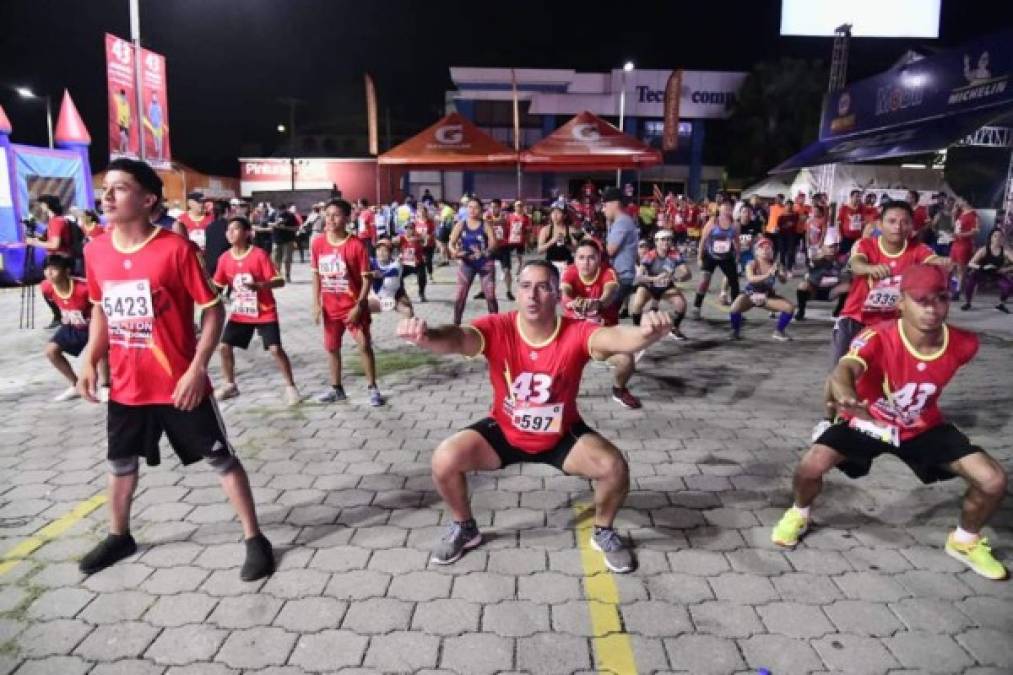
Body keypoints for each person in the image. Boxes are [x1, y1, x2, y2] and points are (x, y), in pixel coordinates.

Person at [398, 260, 674, 572]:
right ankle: (465, 527)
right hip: (504, 432)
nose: (533, 295)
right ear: (516, 292)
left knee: (614, 467)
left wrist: (646, 334)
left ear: (558, 295)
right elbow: (458, 337)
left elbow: (615, 338)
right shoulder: (497, 327)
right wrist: (426, 337)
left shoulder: (577, 330)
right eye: (526, 286)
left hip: (559, 436)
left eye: (543, 287)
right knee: (444, 459)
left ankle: (604, 531)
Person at [76, 158, 274, 580]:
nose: (107, 196)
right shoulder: (94, 250)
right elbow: (100, 310)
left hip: (177, 384)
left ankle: (255, 539)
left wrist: (197, 369)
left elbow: (213, 312)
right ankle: (119, 535)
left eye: (120, 188)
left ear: (148, 199)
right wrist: (91, 359)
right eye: (106, 188)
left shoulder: (174, 249)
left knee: (221, 460)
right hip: (129, 387)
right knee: (119, 464)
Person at [771, 264, 1008, 581]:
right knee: (810, 466)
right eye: (921, 300)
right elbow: (845, 369)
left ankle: (964, 541)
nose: (932, 308)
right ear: (901, 303)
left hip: (922, 426)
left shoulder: (965, 344)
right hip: (869, 420)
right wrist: (844, 394)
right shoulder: (878, 335)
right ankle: (799, 513)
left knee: (992, 481)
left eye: (940, 298)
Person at [829, 200, 943, 367]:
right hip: (855, 319)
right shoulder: (865, 244)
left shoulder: (919, 249)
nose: (898, 227)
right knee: (842, 373)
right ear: (880, 225)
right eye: (892, 221)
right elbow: (856, 264)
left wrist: (944, 263)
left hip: (892, 323)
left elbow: (934, 261)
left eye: (905, 222)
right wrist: (869, 268)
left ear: (912, 226)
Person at [213, 216, 300, 406]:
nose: (230, 233)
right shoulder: (224, 258)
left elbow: (280, 281)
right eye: (228, 230)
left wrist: (260, 285)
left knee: (275, 349)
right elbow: (216, 287)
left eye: (235, 229)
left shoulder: (259, 255)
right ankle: (229, 384)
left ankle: (291, 386)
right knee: (224, 347)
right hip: (241, 312)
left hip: (264, 311)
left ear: (247, 233)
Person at [311, 199, 385, 406]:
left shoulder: (356, 245)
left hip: (352, 307)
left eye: (335, 215)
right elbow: (316, 275)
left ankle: (373, 388)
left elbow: (366, 279)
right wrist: (316, 303)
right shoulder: (318, 244)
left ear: (346, 218)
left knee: (364, 345)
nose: (330, 219)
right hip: (330, 308)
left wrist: (359, 305)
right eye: (327, 215)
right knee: (332, 348)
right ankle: (336, 389)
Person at [561, 240, 641, 409]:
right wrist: (571, 302)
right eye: (581, 257)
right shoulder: (570, 272)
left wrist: (599, 304)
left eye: (591, 258)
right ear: (575, 259)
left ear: (599, 259)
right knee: (551, 359)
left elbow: (609, 293)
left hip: (602, 337)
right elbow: (565, 293)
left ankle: (619, 390)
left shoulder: (608, 272)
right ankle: (558, 391)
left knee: (627, 360)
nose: (586, 262)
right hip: (575, 337)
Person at [40, 255, 106, 401]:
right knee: (51, 351)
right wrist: (61, 316)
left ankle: (106, 387)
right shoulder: (45, 287)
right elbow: (53, 304)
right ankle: (76, 384)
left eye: (54, 269)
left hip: (93, 323)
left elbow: (100, 305)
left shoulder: (83, 288)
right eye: (46, 269)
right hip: (73, 324)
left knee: (100, 351)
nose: (49, 273)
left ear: (67, 271)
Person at [729, 238, 794, 341]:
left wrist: (780, 275)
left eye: (768, 248)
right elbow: (751, 279)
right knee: (734, 308)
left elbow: (783, 281)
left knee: (789, 308)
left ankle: (779, 331)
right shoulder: (752, 263)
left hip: (767, 296)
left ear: (772, 251)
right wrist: (768, 274)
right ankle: (735, 331)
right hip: (750, 294)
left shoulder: (776, 264)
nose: (765, 250)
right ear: (757, 251)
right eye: (762, 248)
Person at [629, 230, 690, 341]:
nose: (666, 242)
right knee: (637, 305)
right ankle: (637, 331)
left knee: (681, 304)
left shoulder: (674, 255)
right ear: (656, 242)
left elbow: (687, 273)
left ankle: (674, 329)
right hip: (649, 285)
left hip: (666, 286)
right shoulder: (650, 255)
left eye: (668, 239)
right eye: (663, 239)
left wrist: (677, 278)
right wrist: (654, 279)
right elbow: (639, 277)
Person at [448, 197, 498, 326]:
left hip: (485, 264)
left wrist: (486, 252)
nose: (472, 210)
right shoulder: (461, 224)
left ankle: (496, 325)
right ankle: (456, 325)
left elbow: (493, 243)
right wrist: (454, 252)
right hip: (467, 264)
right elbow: (451, 243)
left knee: (490, 296)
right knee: (460, 296)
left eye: (475, 207)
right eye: (469, 207)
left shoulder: (486, 225)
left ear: (481, 210)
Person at [692, 200, 740, 320]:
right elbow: (703, 240)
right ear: (720, 209)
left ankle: (736, 311)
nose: (727, 211)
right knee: (704, 281)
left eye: (729, 208)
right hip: (710, 256)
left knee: (734, 283)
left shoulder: (735, 224)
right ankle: (696, 308)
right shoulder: (713, 222)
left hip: (726, 257)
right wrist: (699, 257)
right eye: (724, 208)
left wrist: (738, 255)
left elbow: (736, 240)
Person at [796, 221, 849, 321]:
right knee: (802, 285)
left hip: (831, 291)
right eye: (830, 247)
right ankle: (801, 311)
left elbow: (849, 270)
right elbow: (812, 266)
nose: (833, 249)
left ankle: (837, 313)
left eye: (835, 246)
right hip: (815, 290)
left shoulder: (841, 259)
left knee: (848, 287)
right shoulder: (816, 258)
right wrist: (820, 259)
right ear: (823, 247)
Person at [603, 188, 639, 315]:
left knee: (607, 314)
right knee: (609, 315)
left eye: (605, 205)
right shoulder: (619, 222)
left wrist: (592, 240)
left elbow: (609, 251)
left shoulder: (622, 222)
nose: (603, 209)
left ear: (614, 204)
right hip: (621, 275)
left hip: (622, 276)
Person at [962, 228, 1013, 313]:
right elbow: (970, 263)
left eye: (1000, 236)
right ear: (991, 238)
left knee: (1009, 286)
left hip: (996, 273)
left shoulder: (1005, 251)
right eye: (995, 236)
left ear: (1003, 239)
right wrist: (983, 267)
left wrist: (1006, 269)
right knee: (970, 284)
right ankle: (968, 303)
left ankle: (1001, 304)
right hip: (982, 272)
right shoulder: (984, 249)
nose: (998, 238)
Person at [369, 240, 413, 317]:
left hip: (395, 296)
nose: (381, 253)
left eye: (384, 250)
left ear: (390, 253)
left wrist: (379, 274)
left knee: (408, 312)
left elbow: (391, 272)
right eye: (378, 250)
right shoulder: (371, 262)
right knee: (359, 309)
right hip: (377, 297)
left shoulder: (396, 264)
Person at [482, 199, 515, 301]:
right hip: (491, 247)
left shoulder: (505, 215)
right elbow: (483, 223)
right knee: (488, 270)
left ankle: (509, 291)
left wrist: (490, 221)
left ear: (500, 207)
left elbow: (504, 220)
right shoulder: (487, 215)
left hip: (504, 247)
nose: (493, 209)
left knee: (507, 270)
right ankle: (486, 291)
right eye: (491, 207)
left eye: (495, 207)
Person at [950, 197, 980, 299]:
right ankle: (955, 287)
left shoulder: (973, 215)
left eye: (959, 200)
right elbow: (955, 226)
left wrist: (961, 235)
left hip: (964, 245)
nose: (957, 202)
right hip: (956, 243)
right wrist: (953, 215)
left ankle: (958, 291)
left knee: (961, 269)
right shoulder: (961, 213)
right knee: (953, 266)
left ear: (965, 201)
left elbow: (976, 231)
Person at [537, 204, 578, 277]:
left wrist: (565, 243)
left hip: (567, 263)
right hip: (550, 263)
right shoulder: (545, 230)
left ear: (564, 215)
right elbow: (540, 250)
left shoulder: (572, 230)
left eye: (558, 213)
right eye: (553, 212)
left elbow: (576, 250)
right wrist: (552, 241)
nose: (555, 215)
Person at [397, 220, 428, 303]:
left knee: (422, 278)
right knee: (397, 277)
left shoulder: (418, 237)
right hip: (406, 264)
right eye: (407, 228)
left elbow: (424, 241)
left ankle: (421, 294)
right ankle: (402, 295)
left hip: (418, 264)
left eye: (411, 228)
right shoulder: (401, 238)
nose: (409, 230)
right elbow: (394, 241)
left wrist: (418, 239)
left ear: (414, 229)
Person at [270, 205, 299, 283]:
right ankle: (278, 276)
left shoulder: (290, 216)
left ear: (285, 209)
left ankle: (287, 275)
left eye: (282, 210)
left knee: (287, 259)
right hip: (276, 240)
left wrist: (285, 227)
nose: (281, 212)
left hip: (288, 240)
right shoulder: (274, 214)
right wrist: (275, 224)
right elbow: (268, 223)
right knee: (276, 259)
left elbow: (296, 227)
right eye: (279, 211)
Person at [203, 200, 230, 278]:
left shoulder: (209, 227)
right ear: (227, 210)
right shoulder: (229, 227)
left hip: (210, 266)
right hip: (224, 266)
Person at [836, 190, 867, 256]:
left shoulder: (862, 208)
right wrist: (840, 235)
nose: (858, 198)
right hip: (846, 237)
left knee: (854, 255)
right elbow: (839, 223)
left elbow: (865, 221)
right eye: (856, 196)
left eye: (860, 197)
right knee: (842, 256)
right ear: (851, 197)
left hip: (857, 238)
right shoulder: (844, 208)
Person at [414, 204, 437, 278]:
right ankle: (419, 276)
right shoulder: (415, 222)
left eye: (423, 212)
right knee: (418, 261)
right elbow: (413, 232)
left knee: (428, 260)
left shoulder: (430, 222)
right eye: (420, 212)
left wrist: (428, 237)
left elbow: (433, 232)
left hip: (429, 244)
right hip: (419, 244)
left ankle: (430, 274)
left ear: (426, 213)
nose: (422, 214)